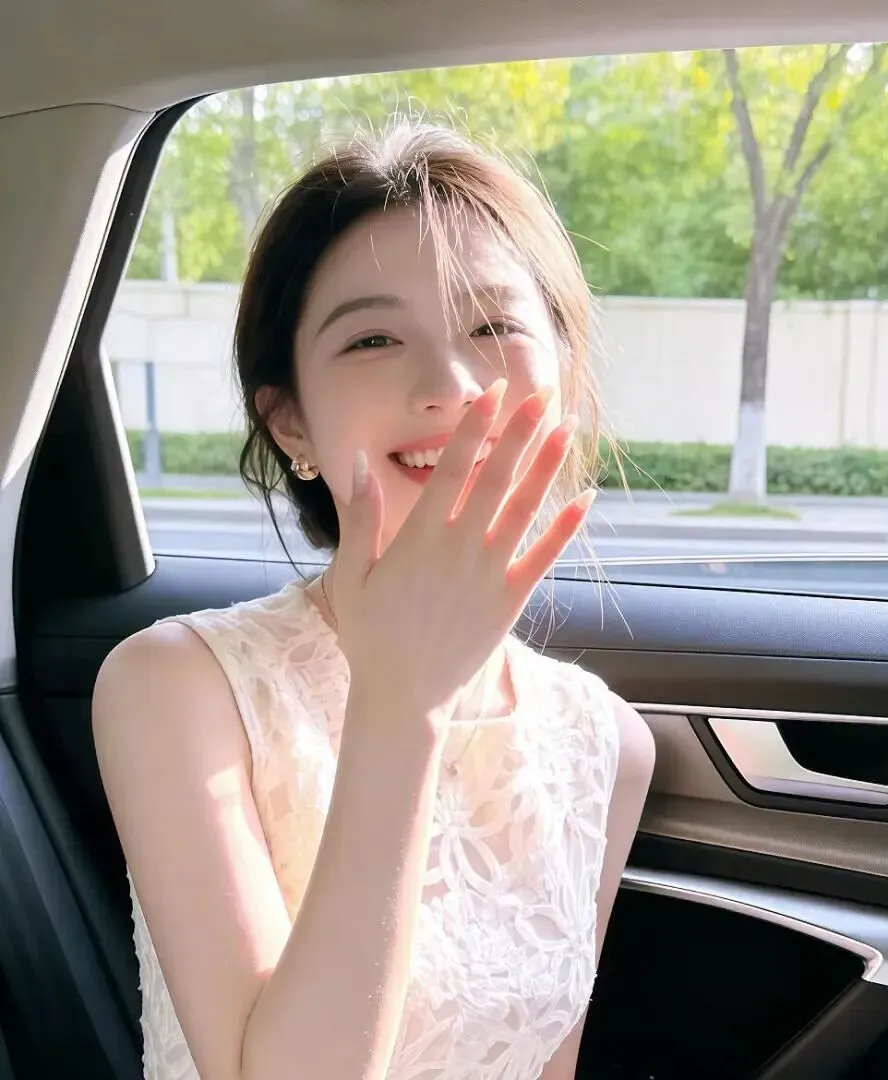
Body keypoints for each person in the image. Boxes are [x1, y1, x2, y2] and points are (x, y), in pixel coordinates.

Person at [92, 119, 655, 1080]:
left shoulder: (607, 742)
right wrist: (402, 704)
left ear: (563, 376)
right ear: (292, 422)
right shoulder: (175, 687)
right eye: (373, 338)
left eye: (494, 327)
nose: (450, 385)